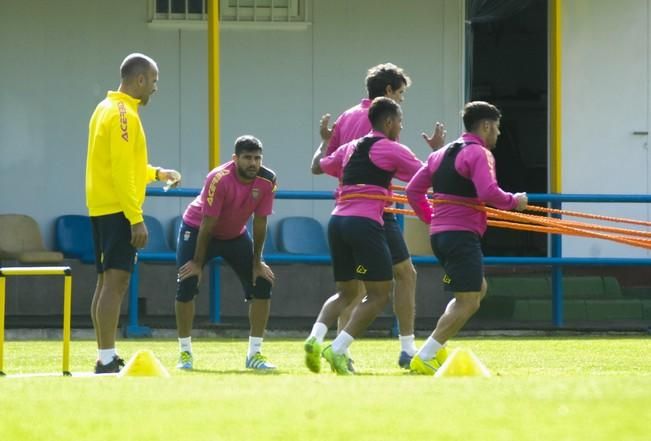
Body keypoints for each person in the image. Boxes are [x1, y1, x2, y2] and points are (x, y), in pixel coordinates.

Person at [310, 62, 446, 371]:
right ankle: (398, 349)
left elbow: (320, 166)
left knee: (352, 288)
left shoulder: (345, 118)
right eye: (400, 94)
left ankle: (327, 344)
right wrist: (438, 154)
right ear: (387, 95)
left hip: (343, 210)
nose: (402, 102)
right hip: (374, 213)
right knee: (391, 282)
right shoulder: (385, 128)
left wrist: (323, 141)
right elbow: (419, 174)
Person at [405, 101, 528, 375]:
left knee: (476, 291)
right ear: (485, 126)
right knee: (469, 299)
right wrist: (515, 200)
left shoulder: (440, 154)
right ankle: (426, 355)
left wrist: (432, 218)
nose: (498, 134)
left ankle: (432, 351)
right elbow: (488, 192)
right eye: (496, 128)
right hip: (461, 236)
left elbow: (414, 191)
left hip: (441, 236)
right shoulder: (479, 153)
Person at [86, 53, 180, 374]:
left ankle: (104, 356)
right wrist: (135, 216)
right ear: (140, 80)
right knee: (116, 283)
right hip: (118, 211)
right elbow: (123, 171)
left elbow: (123, 164)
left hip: (102, 208)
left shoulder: (105, 108)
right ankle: (107, 358)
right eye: (154, 80)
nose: (155, 88)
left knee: (105, 283)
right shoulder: (125, 114)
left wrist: (156, 174)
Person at [175, 135, 277, 371]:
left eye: (257, 158)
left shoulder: (267, 180)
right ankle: (185, 353)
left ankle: (255, 354)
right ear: (235, 158)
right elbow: (208, 224)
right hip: (198, 229)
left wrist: (257, 262)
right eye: (247, 158)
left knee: (262, 281)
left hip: (234, 235)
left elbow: (260, 222)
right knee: (187, 282)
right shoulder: (218, 178)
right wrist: (198, 263)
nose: (253, 163)